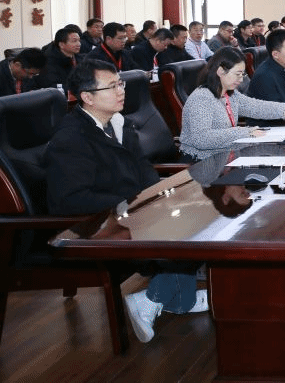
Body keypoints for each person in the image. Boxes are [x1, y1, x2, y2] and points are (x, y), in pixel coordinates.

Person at [44, 59, 206, 343]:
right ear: (87, 97)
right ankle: (155, 298)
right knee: (184, 233)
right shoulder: (71, 138)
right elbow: (69, 199)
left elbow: (143, 170)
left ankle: (176, 298)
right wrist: (132, 205)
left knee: (197, 215)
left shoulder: (119, 123)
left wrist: (162, 198)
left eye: (121, 84)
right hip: (93, 226)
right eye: (112, 86)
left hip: (128, 212)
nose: (121, 91)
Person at [178, 48, 285, 159]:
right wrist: (245, 132)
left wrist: (284, 110)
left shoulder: (230, 94)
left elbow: (254, 106)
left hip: (226, 155)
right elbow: (201, 138)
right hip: (202, 161)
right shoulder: (202, 98)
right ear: (221, 71)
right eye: (238, 74)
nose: (241, 79)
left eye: (242, 74)